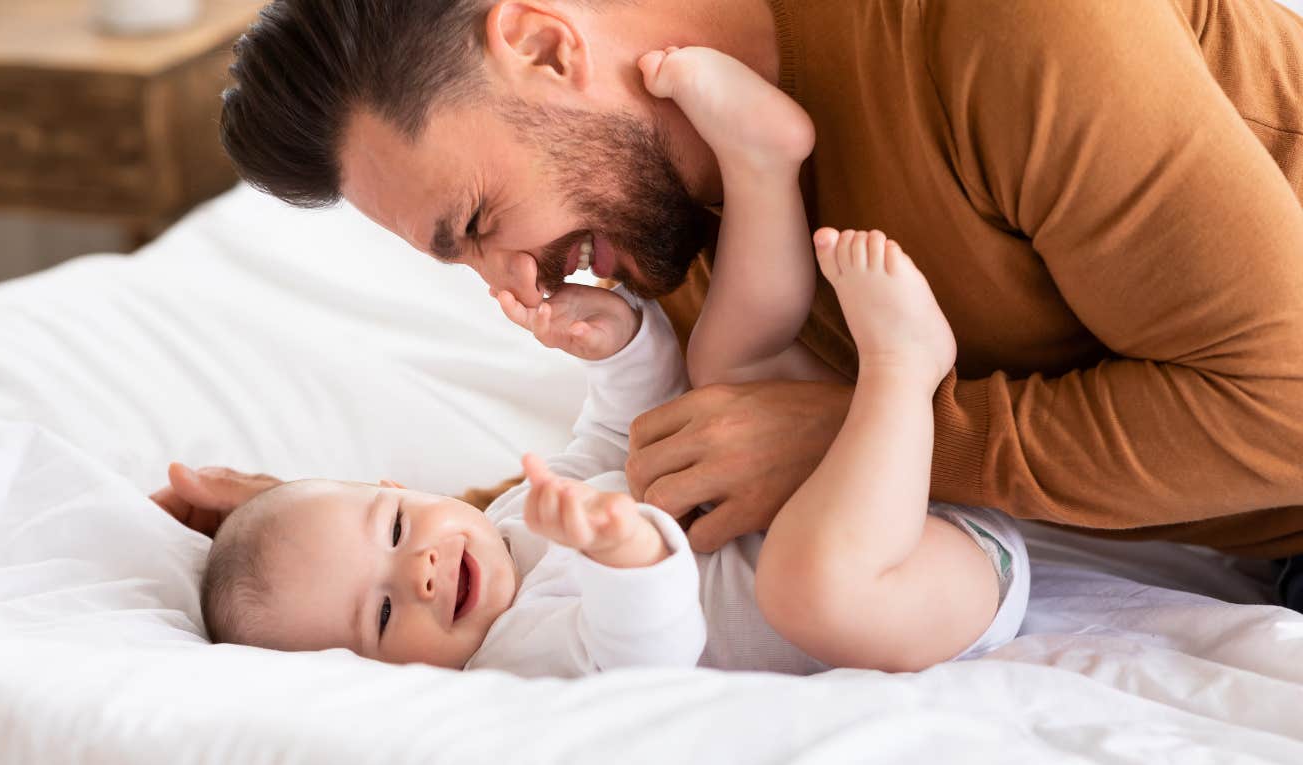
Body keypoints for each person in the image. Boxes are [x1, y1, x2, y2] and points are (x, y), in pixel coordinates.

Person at [172, 0, 1303, 608]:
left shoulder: (1002, 25)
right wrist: (361, 538)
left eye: (476, 225)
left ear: (543, 44)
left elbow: (1287, 411)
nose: (516, 287)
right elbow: (704, 464)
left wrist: (848, 437)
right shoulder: (678, 212)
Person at [198, 236, 1028, 673]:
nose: (414, 571)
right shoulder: (514, 657)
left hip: (859, 497)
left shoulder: (513, 518)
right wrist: (619, 552)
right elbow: (640, 650)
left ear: (403, 488)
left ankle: (762, 168)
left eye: (394, 527)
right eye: (380, 615)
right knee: (806, 585)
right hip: (921, 584)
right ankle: (902, 367)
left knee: (717, 374)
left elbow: (619, 439)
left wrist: (619, 346)